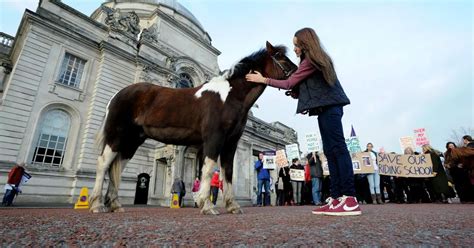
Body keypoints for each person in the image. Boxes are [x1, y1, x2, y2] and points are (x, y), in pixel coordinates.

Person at [246, 27, 360, 216]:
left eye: (296, 45)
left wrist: (263, 79)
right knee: (331, 152)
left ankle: (349, 198)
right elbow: (306, 86)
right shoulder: (314, 61)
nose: (295, 49)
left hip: (330, 108)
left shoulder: (312, 60)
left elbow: (290, 83)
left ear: (305, 44)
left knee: (338, 149)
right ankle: (337, 196)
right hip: (325, 109)